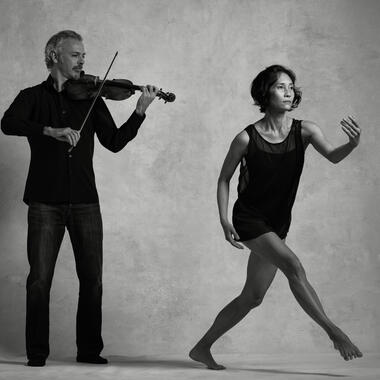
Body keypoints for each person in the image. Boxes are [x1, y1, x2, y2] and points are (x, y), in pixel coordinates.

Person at [1, 30, 159, 367]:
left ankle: (88, 350)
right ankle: (37, 354)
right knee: (39, 280)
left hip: (86, 201)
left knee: (93, 279)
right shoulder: (32, 97)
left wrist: (139, 112)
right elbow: (8, 123)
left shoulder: (92, 97)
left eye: (84, 56)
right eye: (76, 55)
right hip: (44, 201)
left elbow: (114, 141)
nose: (83, 61)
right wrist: (49, 130)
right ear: (55, 54)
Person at [189, 65, 363, 370]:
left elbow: (333, 156)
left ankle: (202, 347)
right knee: (294, 266)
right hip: (250, 219)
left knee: (252, 297)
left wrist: (351, 144)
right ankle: (334, 332)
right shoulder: (246, 138)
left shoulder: (305, 130)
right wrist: (223, 220)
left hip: (277, 223)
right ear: (265, 93)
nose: (289, 91)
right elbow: (223, 179)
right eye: (280, 86)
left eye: (291, 86)